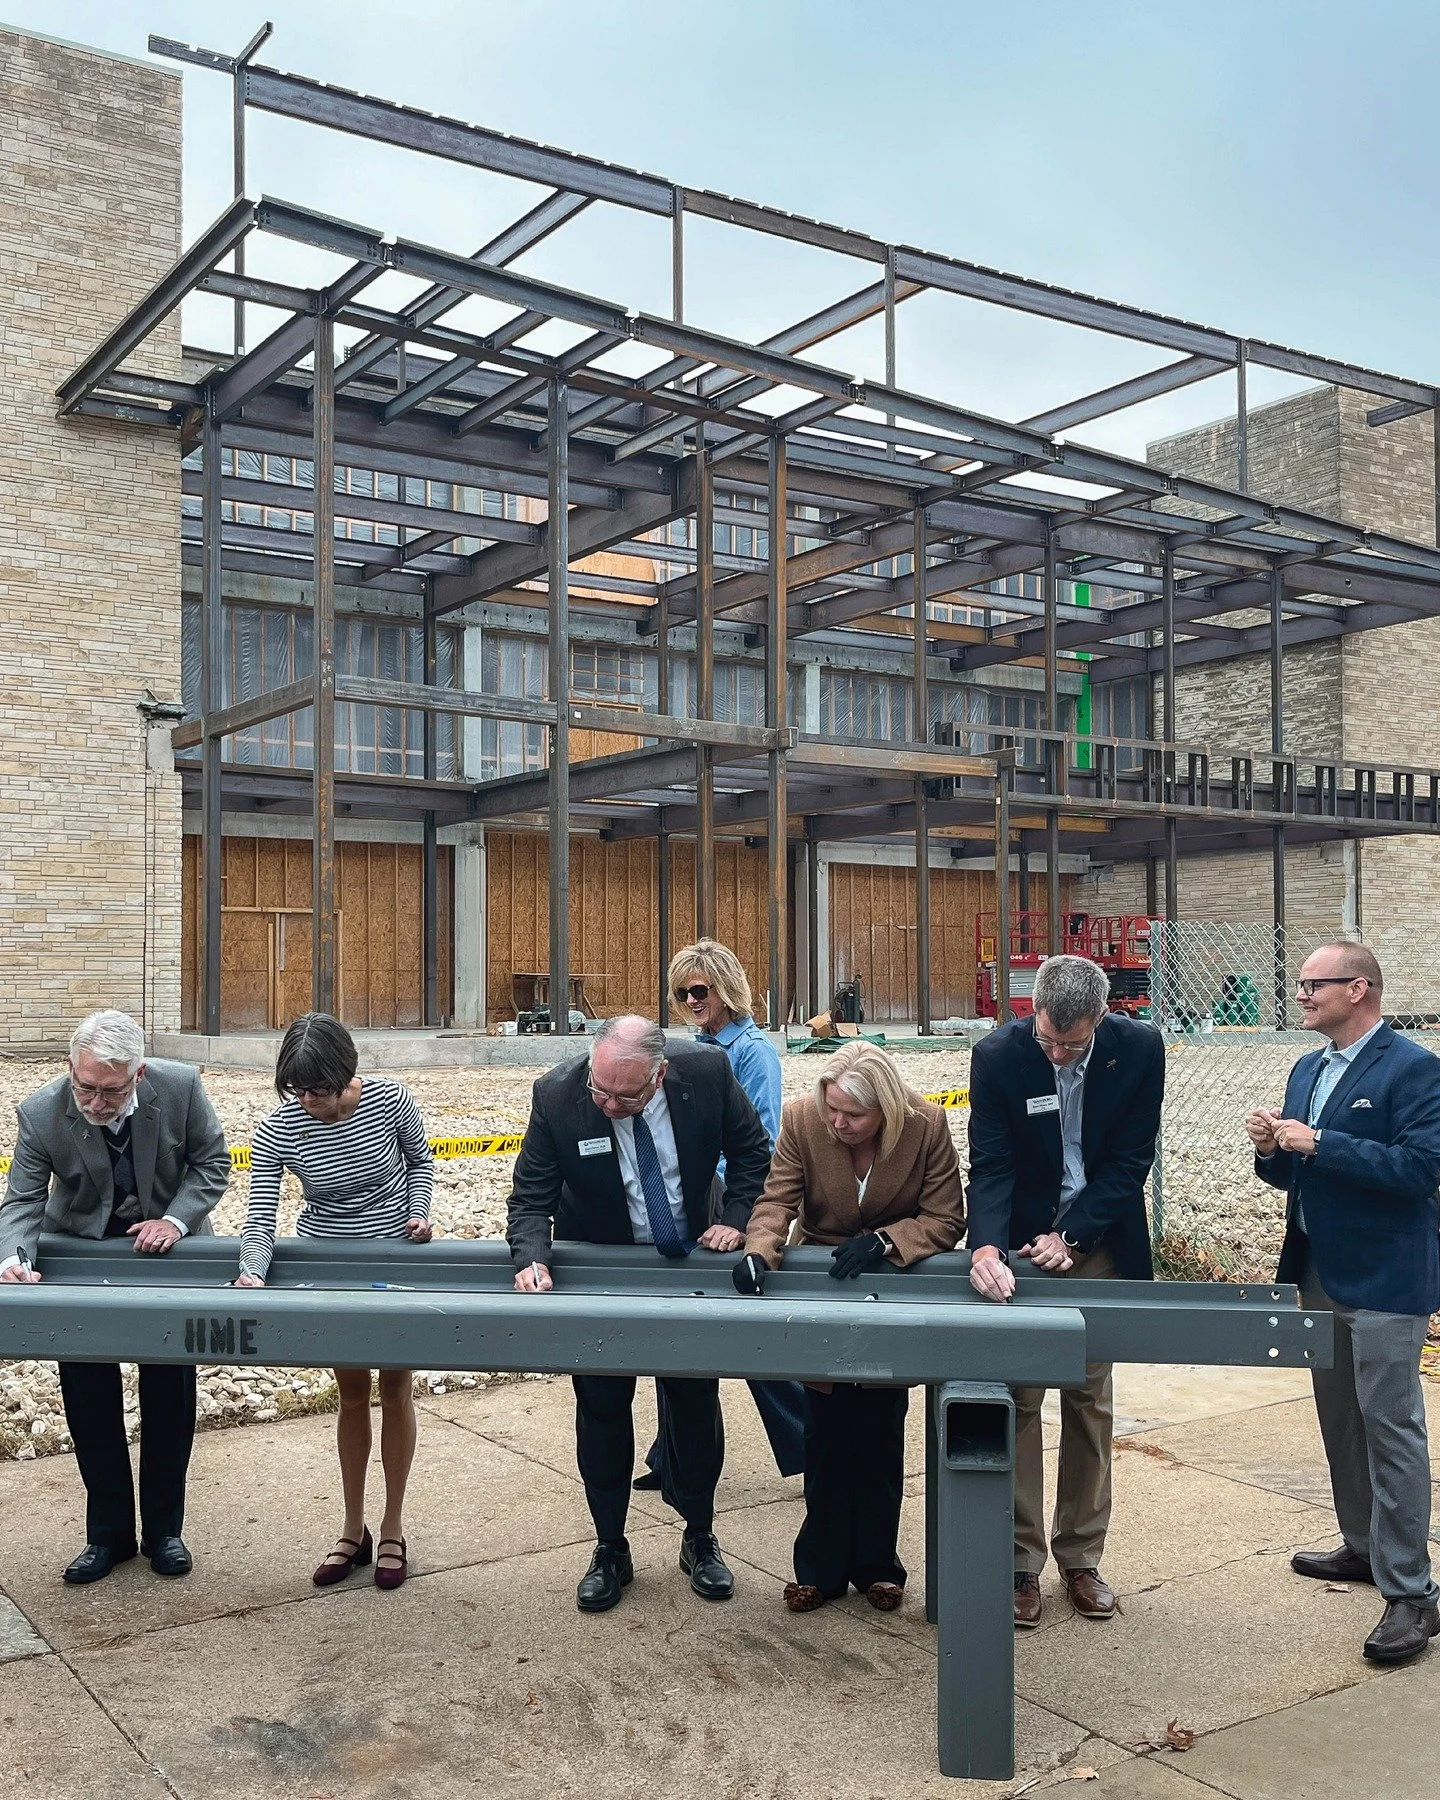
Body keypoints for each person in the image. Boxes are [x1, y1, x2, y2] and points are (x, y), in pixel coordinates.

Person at [507, 1013, 771, 1614]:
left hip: (689, 1266)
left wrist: (734, 1219)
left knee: (694, 1401)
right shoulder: (558, 1095)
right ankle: (609, 1548)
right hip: (604, 1271)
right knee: (601, 1407)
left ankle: (700, 1535)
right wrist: (532, 1258)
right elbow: (530, 1196)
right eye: (601, 1090)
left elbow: (755, 1154)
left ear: (660, 1074)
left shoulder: (706, 1072)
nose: (608, 1104)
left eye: (625, 1095)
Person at [1246, 942, 1440, 1664]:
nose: (1300, 996)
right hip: (1319, 1272)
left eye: (1312, 985)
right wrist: (1271, 1147)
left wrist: (1321, 1141)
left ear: (1358, 989)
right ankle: (1363, 1549)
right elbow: (1291, 1173)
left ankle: (1412, 1593)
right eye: (1298, 986)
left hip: (1387, 1278)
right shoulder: (1306, 1068)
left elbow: (1422, 1171)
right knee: (1341, 1422)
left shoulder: (1414, 1069)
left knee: (1391, 1429)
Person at [966, 955, 1164, 1630]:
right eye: (1046, 1038)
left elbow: (1130, 1159)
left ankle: (1081, 1556)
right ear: (1034, 1010)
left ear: (1102, 1019)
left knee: (1088, 1398)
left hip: (1100, 1240)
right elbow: (991, 1161)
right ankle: (1020, 1563)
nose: (1054, 1054)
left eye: (1070, 1045)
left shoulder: (1139, 1050)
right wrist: (986, 1245)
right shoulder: (998, 1055)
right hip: (1022, 1246)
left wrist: (1075, 1235)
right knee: (1018, 1399)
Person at [733, 1041, 965, 1613]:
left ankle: (879, 1568)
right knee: (827, 1431)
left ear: (885, 1109)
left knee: (882, 1432)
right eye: (833, 1110)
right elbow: (776, 1199)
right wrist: (760, 1252)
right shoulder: (801, 1119)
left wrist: (888, 1242)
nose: (839, 1123)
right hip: (825, 1285)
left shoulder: (926, 1124)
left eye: (854, 1116)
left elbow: (946, 1217)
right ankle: (819, 1567)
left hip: (891, 1281)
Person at [0, 1010, 230, 1583]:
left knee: (170, 1395)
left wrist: (176, 1221)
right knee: (88, 1396)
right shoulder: (39, 1112)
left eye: (111, 1090)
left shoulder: (181, 1087)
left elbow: (212, 1163)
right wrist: (14, 1257)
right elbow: (23, 1199)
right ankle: (107, 1538)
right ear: (69, 1070)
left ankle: (164, 1534)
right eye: (85, 1087)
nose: (96, 1102)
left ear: (140, 1074)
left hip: (168, 1261)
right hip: (80, 1259)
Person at [233, 1012, 434, 1593]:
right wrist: (252, 1273)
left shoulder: (393, 1101)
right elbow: (261, 1212)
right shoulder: (278, 1128)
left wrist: (419, 1213)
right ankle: (353, 1528)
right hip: (329, 1262)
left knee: (396, 1388)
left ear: (346, 1074)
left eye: (320, 1089)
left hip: (395, 1258)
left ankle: (393, 1525)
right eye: (299, 1090)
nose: (310, 1101)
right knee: (350, 1395)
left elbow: (421, 1163)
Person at [633, 939, 805, 1493]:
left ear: (726, 988)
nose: (690, 1000)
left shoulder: (752, 1053)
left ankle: (811, 1443)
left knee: (755, 1342)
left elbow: (762, 1139)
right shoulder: (691, 1047)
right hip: (695, 1204)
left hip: (735, 1206)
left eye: (699, 990)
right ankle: (671, 1454)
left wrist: (725, 1204)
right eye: (681, 993)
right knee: (677, 1330)